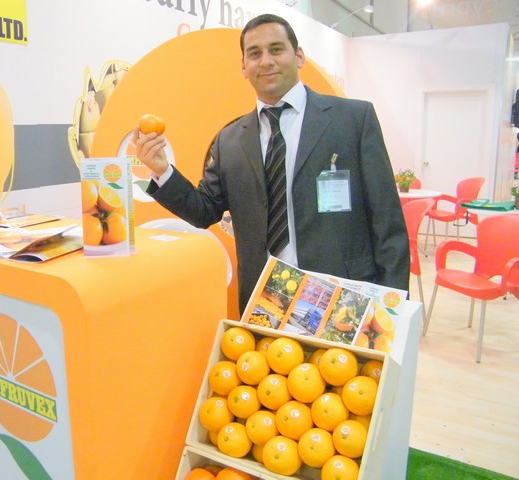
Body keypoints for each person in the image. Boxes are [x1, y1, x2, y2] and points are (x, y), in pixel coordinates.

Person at [133, 13, 410, 315]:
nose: (266, 61)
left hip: (342, 300)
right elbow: (204, 211)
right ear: (243, 67)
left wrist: (393, 308)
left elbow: (387, 220)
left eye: (276, 49)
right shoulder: (230, 140)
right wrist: (162, 170)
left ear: (299, 56)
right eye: (254, 54)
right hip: (265, 302)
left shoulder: (353, 120)